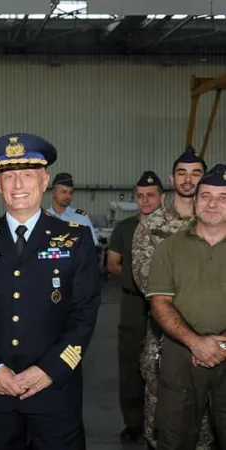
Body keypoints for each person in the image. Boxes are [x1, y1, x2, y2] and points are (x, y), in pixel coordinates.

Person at [0, 133, 101, 449]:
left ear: (45, 180)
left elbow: (84, 312)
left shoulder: (74, 239)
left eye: (27, 175)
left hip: (54, 390)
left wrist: (50, 369)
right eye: (9, 176)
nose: (18, 185)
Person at [131, 147, 213, 449]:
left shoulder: (217, 224)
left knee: (208, 425)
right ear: (171, 178)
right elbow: (147, 282)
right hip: (165, 342)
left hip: (215, 338)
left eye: (196, 174)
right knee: (164, 421)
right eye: (182, 173)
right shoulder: (151, 226)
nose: (188, 180)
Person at [146, 163, 226, 449]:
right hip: (180, 354)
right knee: (174, 436)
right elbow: (160, 303)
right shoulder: (169, 248)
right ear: (196, 200)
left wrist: (220, 345)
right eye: (205, 196)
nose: (212, 204)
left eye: (223, 197)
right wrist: (196, 343)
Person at [106, 170, 164, 445]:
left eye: (151, 196)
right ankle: (133, 422)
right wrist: (134, 279)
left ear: (161, 197)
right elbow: (112, 263)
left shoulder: (173, 227)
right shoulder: (125, 228)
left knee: (165, 362)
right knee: (130, 361)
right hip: (132, 301)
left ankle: (163, 421)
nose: (145, 201)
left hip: (166, 303)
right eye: (140, 196)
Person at [47, 172, 99, 247]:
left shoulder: (81, 217)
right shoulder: (44, 217)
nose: (68, 196)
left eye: (70, 193)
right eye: (64, 192)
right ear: (53, 193)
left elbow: (93, 245)